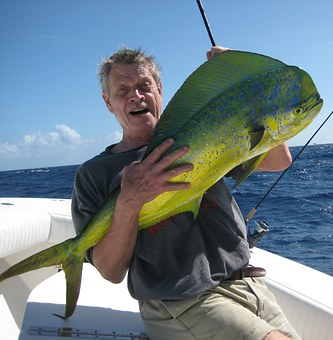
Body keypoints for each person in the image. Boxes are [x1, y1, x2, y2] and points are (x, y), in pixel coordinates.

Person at [71, 46, 300, 340]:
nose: (136, 96)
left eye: (144, 86)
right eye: (122, 90)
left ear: (159, 90)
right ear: (108, 102)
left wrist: (248, 85)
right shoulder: (94, 174)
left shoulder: (201, 135)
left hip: (247, 282)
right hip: (180, 300)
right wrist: (129, 200)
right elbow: (110, 270)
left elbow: (279, 161)